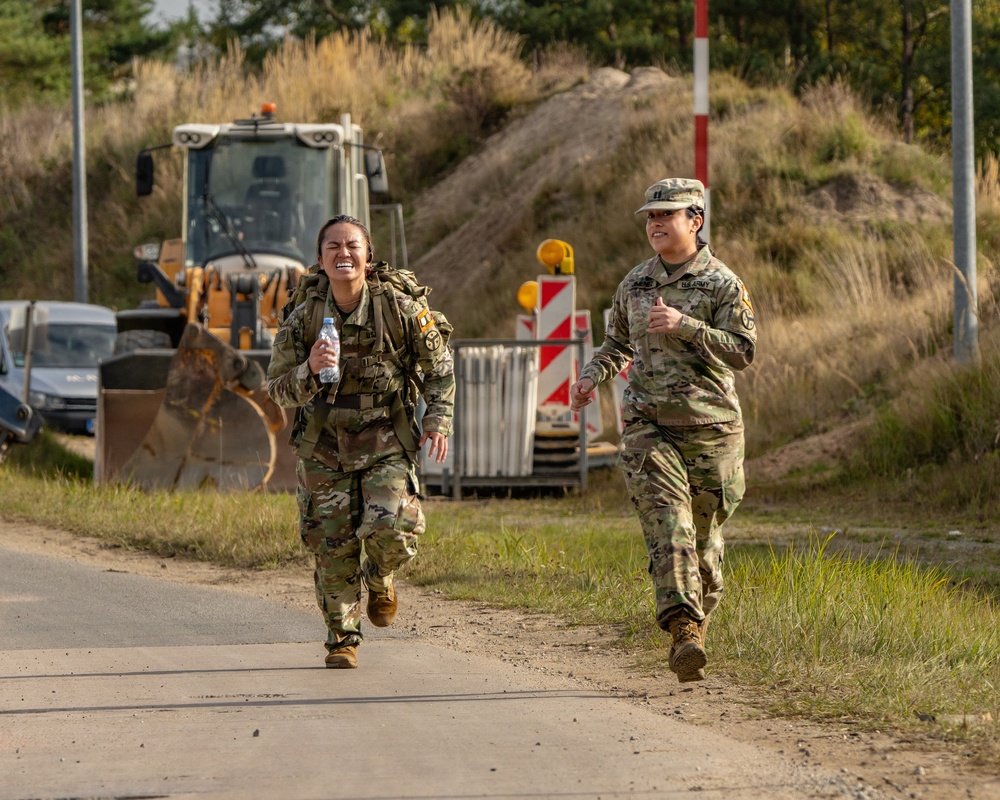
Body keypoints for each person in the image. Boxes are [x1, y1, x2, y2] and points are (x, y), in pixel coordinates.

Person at [570, 178, 756, 683]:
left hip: (711, 430)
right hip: (649, 427)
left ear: (695, 220)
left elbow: (743, 351)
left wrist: (686, 325)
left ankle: (696, 617)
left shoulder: (722, 283)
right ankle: (684, 631)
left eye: (665, 215)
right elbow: (617, 345)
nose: (654, 224)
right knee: (667, 526)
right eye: (650, 217)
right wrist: (591, 376)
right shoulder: (634, 284)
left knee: (703, 540)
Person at [267, 215, 455, 669]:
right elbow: (276, 389)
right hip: (324, 444)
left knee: (394, 529)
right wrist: (309, 369)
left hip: (385, 437)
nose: (343, 253)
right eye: (332, 246)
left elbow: (440, 366)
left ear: (368, 259)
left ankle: (381, 576)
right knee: (331, 547)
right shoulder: (304, 317)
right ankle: (342, 640)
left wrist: (438, 420)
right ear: (320, 259)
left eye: (353, 245)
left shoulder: (399, 309)